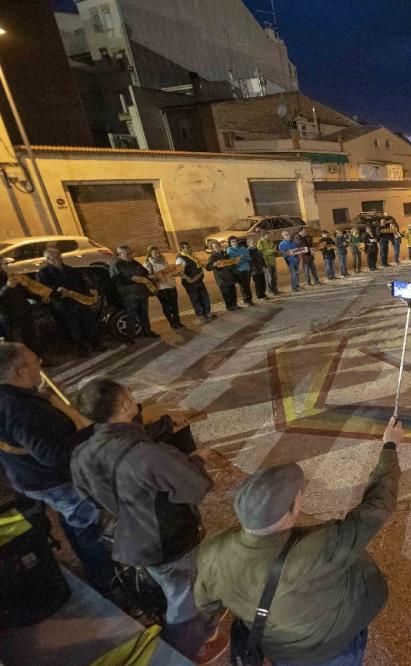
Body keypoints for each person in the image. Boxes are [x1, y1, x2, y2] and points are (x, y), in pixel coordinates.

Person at [196, 417, 402, 666]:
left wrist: (210, 631)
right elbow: (378, 505)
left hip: (280, 649)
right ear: (293, 508)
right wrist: (390, 447)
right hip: (334, 647)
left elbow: (205, 603)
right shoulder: (319, 546)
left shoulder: (212, 551)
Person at [71, 377, 217, 661]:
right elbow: (195, 487)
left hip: (128, 537)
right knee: (184, 603)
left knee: (171, 590)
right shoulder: (147, 455)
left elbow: (86, 497)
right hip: (168, 541)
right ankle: (178, 654)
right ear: (126, 405)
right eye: (130, 395)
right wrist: (196, 460)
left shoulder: (81, 454)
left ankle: (194, 633)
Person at [0, 342, 115, 594]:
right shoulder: (20, 410)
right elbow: (52, 455)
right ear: (19, 371)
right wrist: (87, 433)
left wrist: (44, 398)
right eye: (34, 362)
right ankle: (106, 579)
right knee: (88, 525)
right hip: (53, 480)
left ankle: (92, 565)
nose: (40, 363)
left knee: (72, 519)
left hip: (28, 477)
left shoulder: (14, 397)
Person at [36, 247, 107, 355]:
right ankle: (82, 349)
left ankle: (96, 344)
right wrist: (56, 290)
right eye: (55, 257)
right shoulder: (43, 273)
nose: (59, 258)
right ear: (48, 258)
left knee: (89, 323)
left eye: (59, 256)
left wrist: (88, 294)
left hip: (79, 301)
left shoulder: (70, 269)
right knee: (74, 328)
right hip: (64, 304)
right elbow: (43, 289)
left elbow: (81, 284)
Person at [110, 245, 157, 341]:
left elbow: (144, 272)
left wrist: (149, 276)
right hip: (129, 295)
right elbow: (116, 280)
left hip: (142, 293)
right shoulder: (116, 265)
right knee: (131, 316)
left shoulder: (134, 263)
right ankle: (130, 337)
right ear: (120, 254)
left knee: (144, 314)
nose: (131, 256)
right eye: (128, 254)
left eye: (131, 253)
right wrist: (131, 279)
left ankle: (147, 332)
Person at [144, 246, 184, 329]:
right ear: (150, 254)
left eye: (159, 252)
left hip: (171, 285)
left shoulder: (163, 260)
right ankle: (172, 323)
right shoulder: (148, 263)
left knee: (174, 305)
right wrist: (156, 277)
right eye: (155, 253)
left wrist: (175, 271)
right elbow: (147, 276)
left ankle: (178, 322)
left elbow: (169, 271)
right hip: (161, 288)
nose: (158, 254)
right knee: (166, 306)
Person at [175, 243, 213, 322]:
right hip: (190, 282)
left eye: (190, 247)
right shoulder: (180, 259)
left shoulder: (193, 256)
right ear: (182, 249)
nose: (190, 249)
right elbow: (179, 272)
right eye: (187, 248)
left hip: (199, 280)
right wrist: (188, 278)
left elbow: (200, 264)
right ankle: (200, 314)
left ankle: (207, 312)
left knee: (204, 296)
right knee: (195, 298)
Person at [205, 240, 239, 310]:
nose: (217, 248)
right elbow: (208, 267)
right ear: (212, 248)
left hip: (229, 276)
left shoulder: (225, 254)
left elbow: (230, 262)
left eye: (218, 246)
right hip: (222, 278)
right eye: (215, 247)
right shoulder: (212, 257)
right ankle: (229, 306)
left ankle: (235, 304)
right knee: (226, 293)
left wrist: (233, 261)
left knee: (232, 291)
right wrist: (214, 264)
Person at [225, 237, 254, 306]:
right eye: (232, 242)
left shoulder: (242, 248)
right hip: (238, 270)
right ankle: (246, 300)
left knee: (247, 285)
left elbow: (248, 257)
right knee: (243, 286)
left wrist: (240, 258)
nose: (234, 243)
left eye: (235, 241)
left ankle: (249, 299)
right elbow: (234, 261)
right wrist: (240, 258)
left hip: (247, 269)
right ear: (230, 243)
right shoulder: (229, 250)